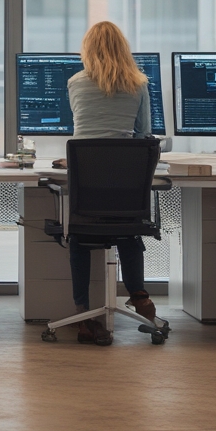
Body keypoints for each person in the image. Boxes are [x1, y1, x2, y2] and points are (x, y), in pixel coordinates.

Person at [64, 20, 155, 345]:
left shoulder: (75, 82)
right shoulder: (139, 84)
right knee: (128, 227)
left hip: (86, 197)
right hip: (125, 194)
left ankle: (82, 314)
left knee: (78, 236)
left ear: (87, 50)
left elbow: (83, 130)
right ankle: (139, 294)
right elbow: (144, 135)